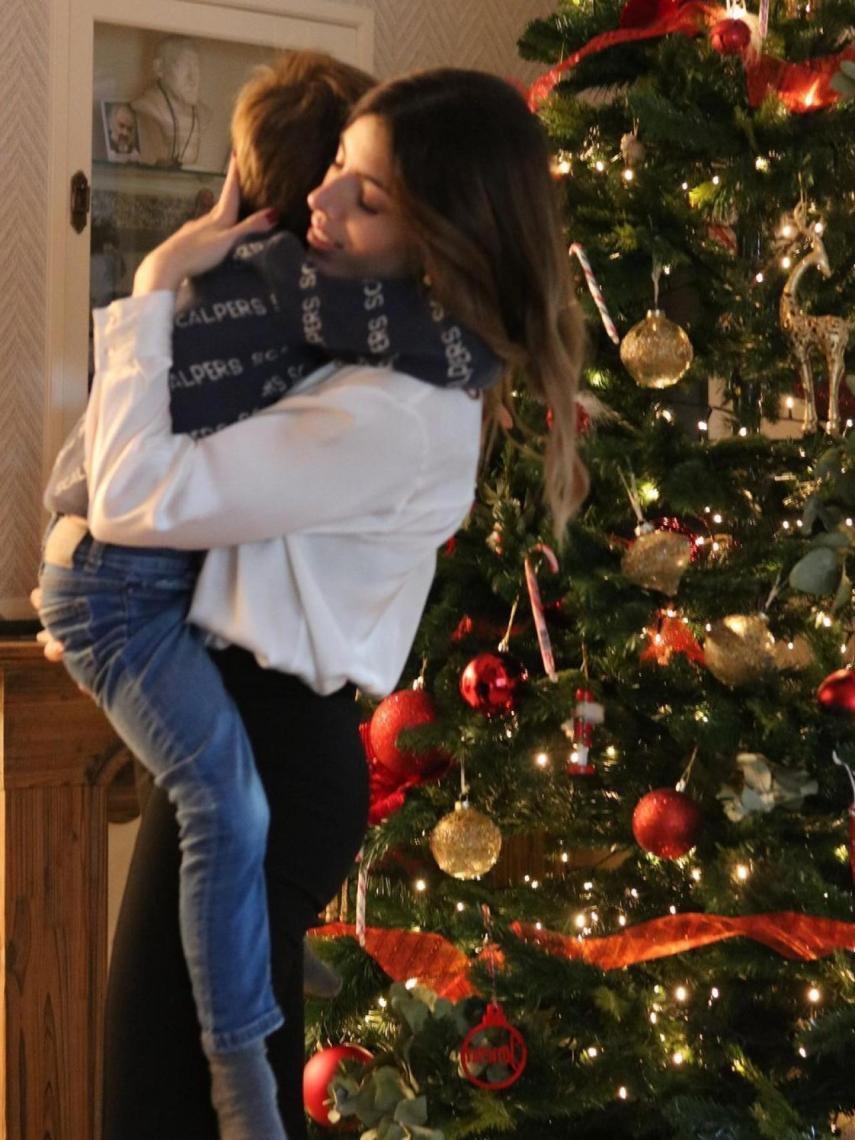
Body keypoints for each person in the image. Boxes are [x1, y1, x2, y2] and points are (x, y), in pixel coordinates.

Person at [44, 66, 588, 1138]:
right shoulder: (362, 347)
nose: (320, 205)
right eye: (336, 170)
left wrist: (151, 285)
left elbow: (138, 495)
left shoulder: (395, 407)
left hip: (274, 744)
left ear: (443, 237)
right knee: (166, 1084)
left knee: (170, 1100)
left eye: (367, 197)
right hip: (240, 715)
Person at [132, 36, 211, 166]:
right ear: (159, 68)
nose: (193, 78)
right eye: (183, 66)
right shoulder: (146, 106)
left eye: (196, 66)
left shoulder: (203, 113)